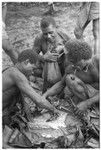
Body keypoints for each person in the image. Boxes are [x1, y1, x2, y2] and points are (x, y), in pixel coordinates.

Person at [3, 50, 58, 127]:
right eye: (32, 68)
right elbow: (38, 100)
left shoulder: (13, 70)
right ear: (26, 62)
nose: (32, 72)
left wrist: (26, 109)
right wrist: (53, 109)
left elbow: (23, 95)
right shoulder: (16, 75)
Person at [42, 39, 99, 112]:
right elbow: (61, 84)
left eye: (74, 62)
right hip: (91, 96)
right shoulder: (71, 68)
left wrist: (87, 103)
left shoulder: (98, 61)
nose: (72, 65)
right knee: (69, 79)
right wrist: (45, 95)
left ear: (82, 59)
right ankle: (91, 106)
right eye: (71, 62)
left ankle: (89, 105)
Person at [32, 16, 70, 92]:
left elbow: (74, 55)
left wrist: (63, 50)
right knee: (32, 68)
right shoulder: (39, 38)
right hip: (46, 67)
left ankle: (61, 83)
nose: (48, 36)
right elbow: (32, 54)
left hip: (62, 67)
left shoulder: (64, 37)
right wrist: (43, 57)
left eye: (51, 32)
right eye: (45, 34)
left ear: (56, 28)